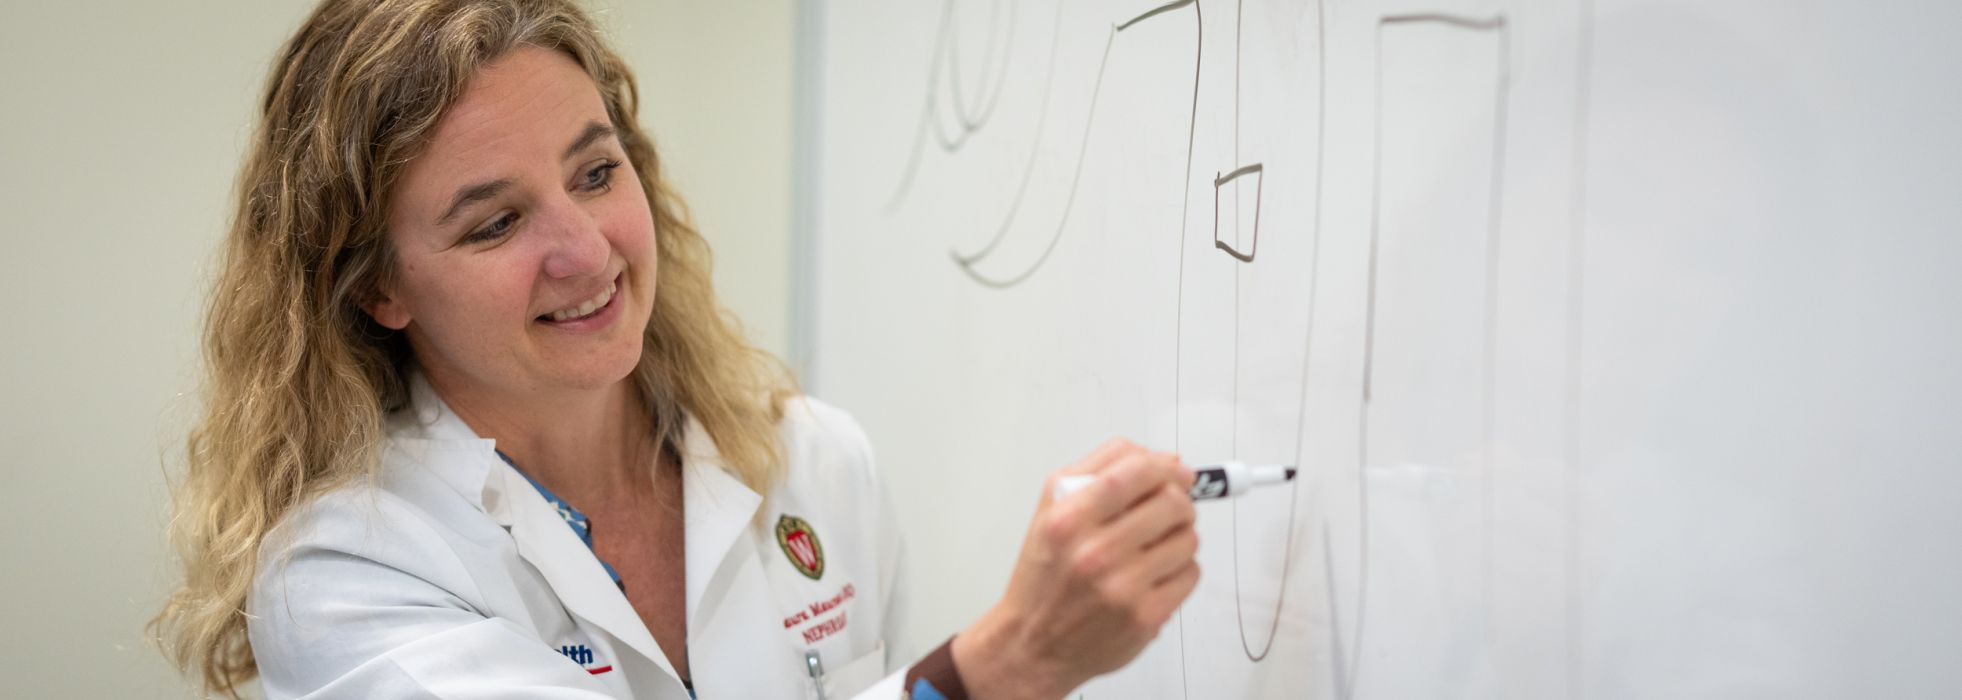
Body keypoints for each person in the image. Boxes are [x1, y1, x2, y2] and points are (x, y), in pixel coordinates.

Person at [150, 1, 1202, 698]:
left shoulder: (812, 462)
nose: (584, 250)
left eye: (596, 172)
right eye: (495, 223)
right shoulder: (350, 573)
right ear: (375, 285)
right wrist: (1002, 666)